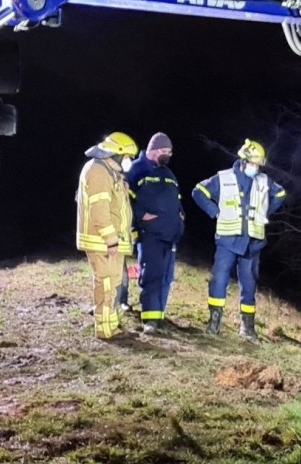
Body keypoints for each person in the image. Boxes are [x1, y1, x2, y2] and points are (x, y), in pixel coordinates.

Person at [192, 139, 286, 340]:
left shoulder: (264, 181)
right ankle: (214, 323)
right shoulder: (223, 178)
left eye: (258, 165)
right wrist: (214, 211)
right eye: (252, 164)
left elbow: (281, 193)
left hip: (252, 243)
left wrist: (265, 211)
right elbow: (198, 192)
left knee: (249, 284)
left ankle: (247, 328)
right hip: (228, 240)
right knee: (219, 280)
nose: (256, 168)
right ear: (243, 161)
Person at [75, 132, 137, 340]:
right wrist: (111, 239)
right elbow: (99, 212)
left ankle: (113, 326)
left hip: (113, 242)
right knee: (106, 285)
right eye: (128, 156)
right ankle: (104, 330)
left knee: (114, 284)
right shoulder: (98, 172)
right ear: (117, 154)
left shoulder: (111, 172)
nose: (130, 161)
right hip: (103, 242)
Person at [126, 132, 185, 333]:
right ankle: (150, 320)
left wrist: (180, 219)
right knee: (151, 275)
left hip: (170, 236)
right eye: (166, 151)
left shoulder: (168, 173)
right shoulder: (137, 170)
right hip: (150, 235)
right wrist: (140, 216)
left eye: (170, 151)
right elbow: (124, 199)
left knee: (166, 278)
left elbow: (176, 201)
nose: (169, 155)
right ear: (154, 150)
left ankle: (159, 316)